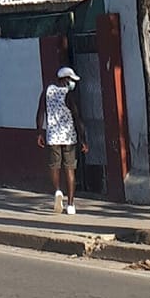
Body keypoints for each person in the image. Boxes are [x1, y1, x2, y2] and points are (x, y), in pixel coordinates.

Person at [36, 64, 87, 216]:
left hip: (53, 136)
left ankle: (58, 190)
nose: (73, 83)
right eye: (71, 79)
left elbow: (40, 113)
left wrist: (39, 132)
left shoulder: (47, 92)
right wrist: (83, 139)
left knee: (54, 166)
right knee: (70, 169)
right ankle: (70, 204)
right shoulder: (69, 95)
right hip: (69, 137)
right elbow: (77, 118)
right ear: (65, 79)